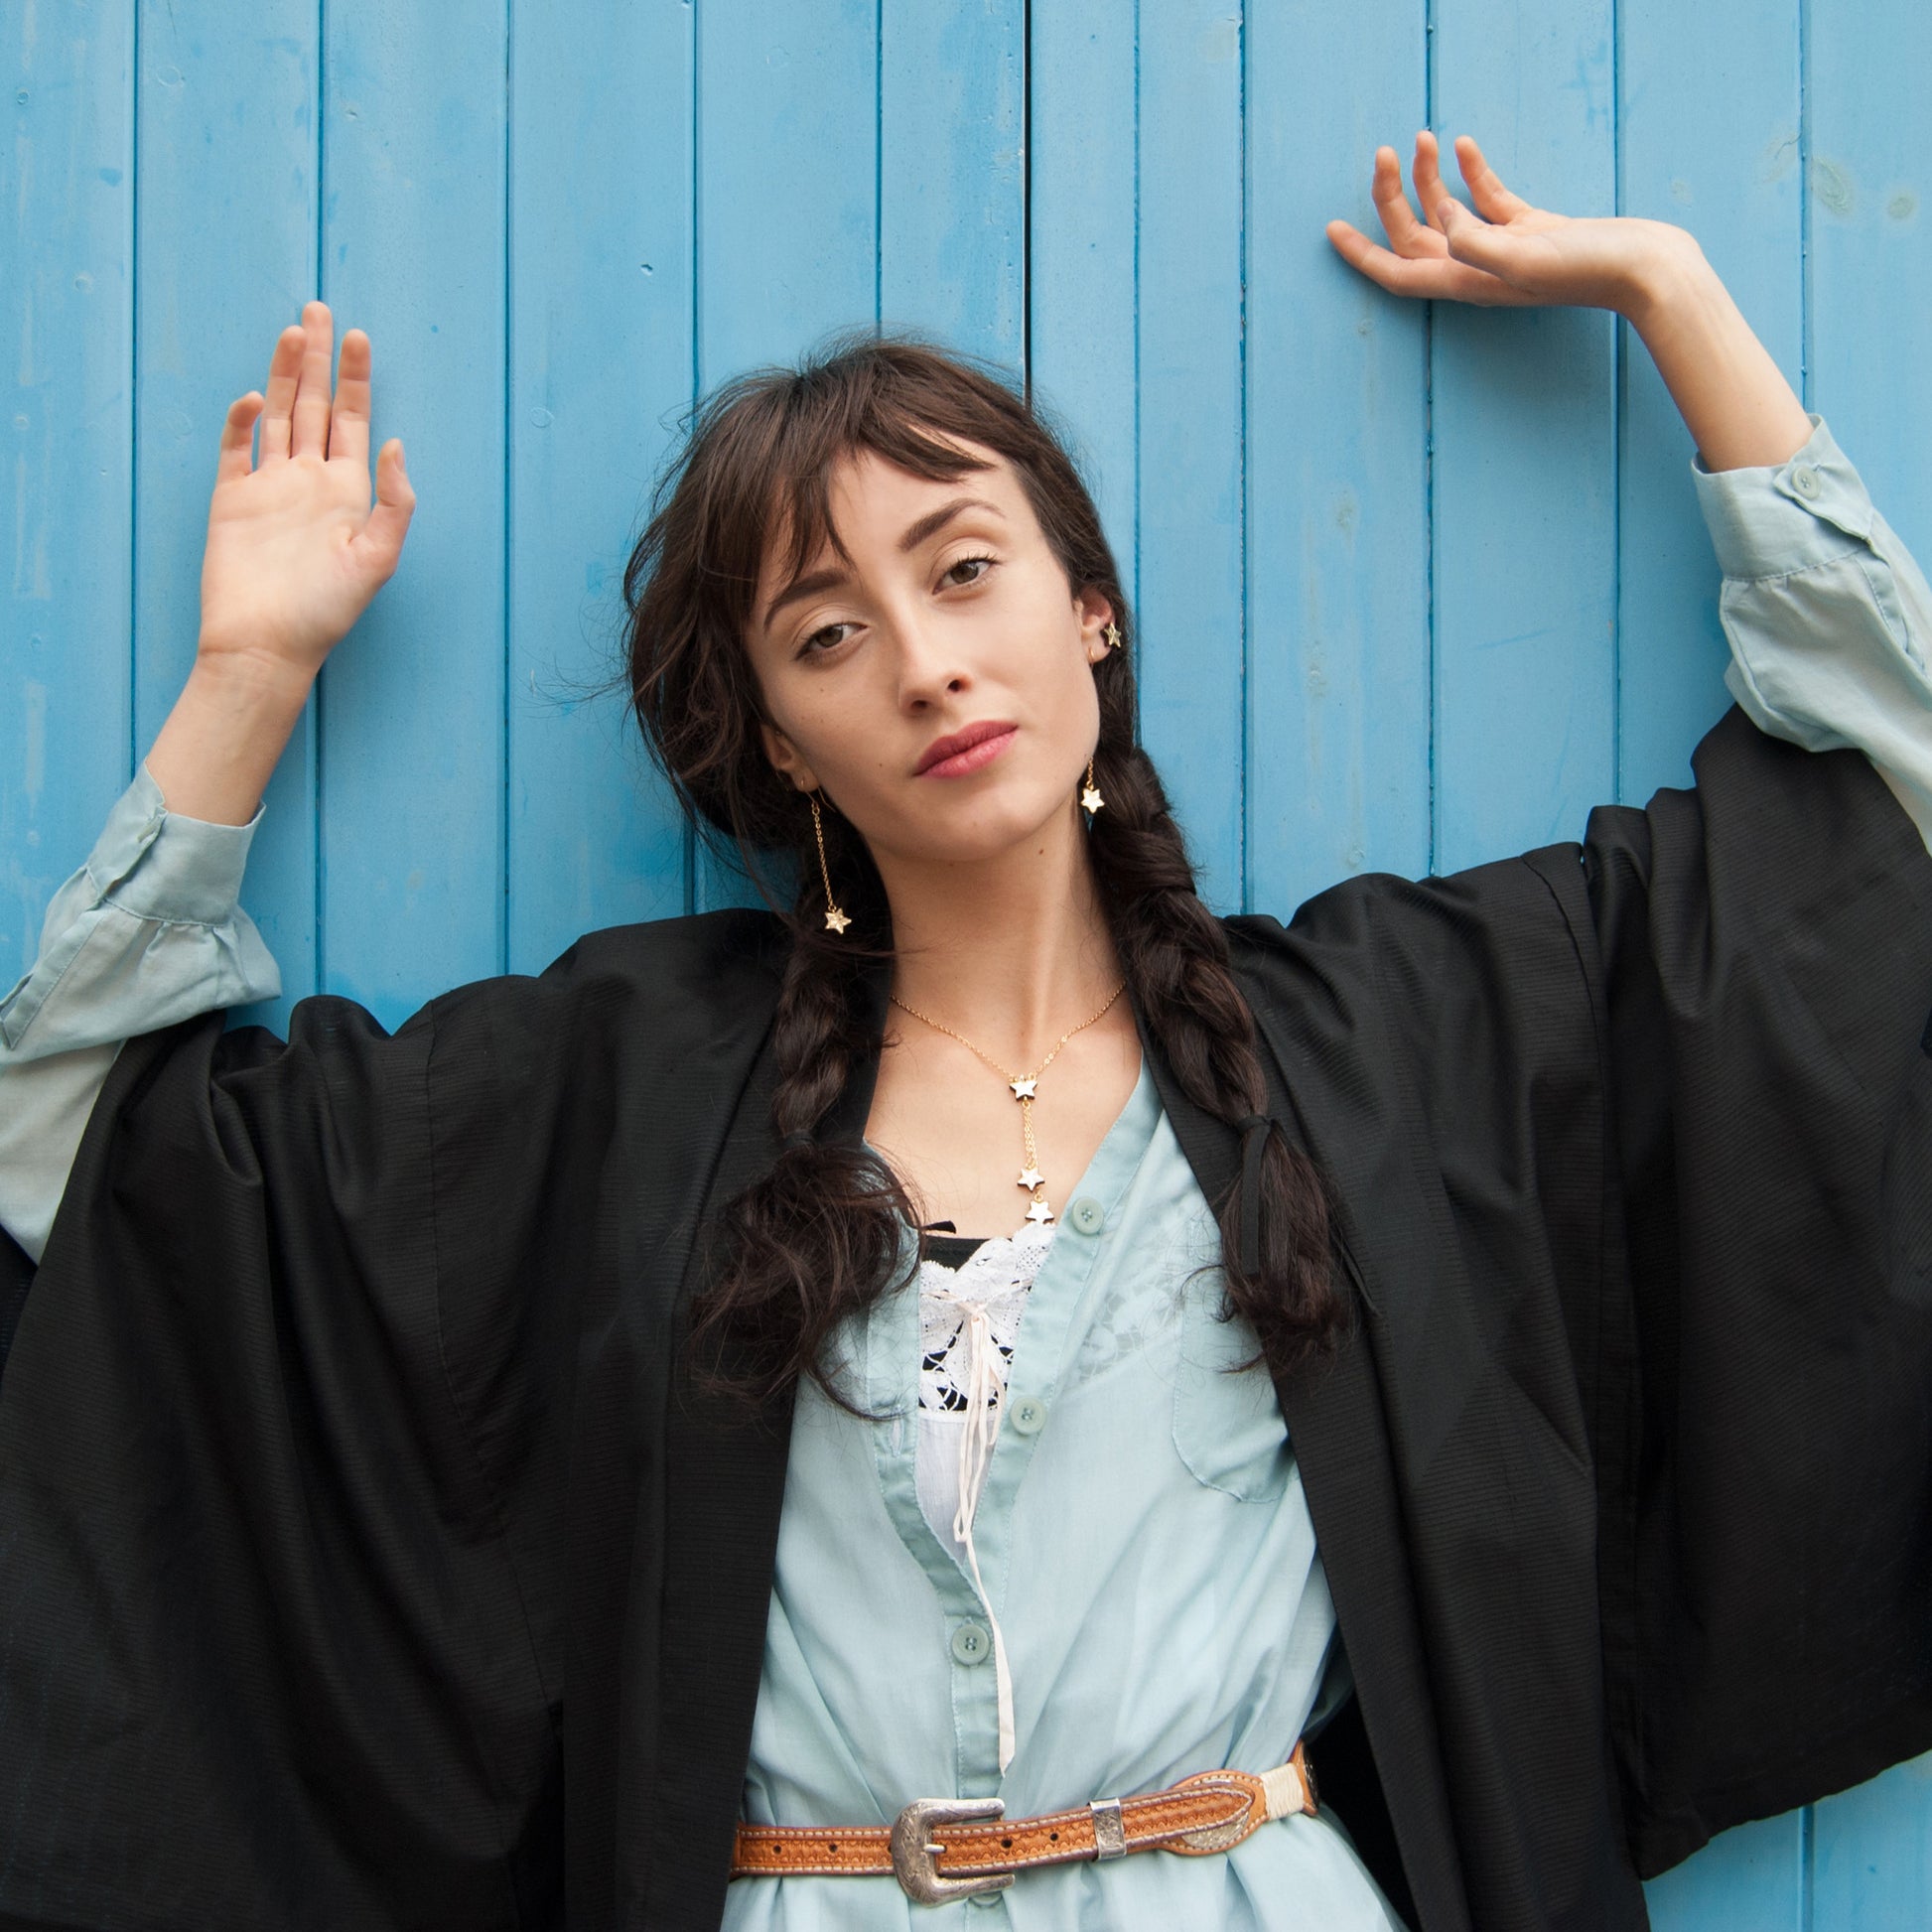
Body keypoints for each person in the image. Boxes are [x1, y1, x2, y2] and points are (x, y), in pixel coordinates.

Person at [1, 133, 1929, 1932]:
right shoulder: (625, 1087)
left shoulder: (1388, 1036)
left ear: (1087, 610)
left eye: (965, 567)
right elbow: (78, 1166)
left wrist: (1674, 298)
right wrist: (248, 671)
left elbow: (1870, 835)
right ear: (777, 738)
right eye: (826, 633)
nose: (923, 660)